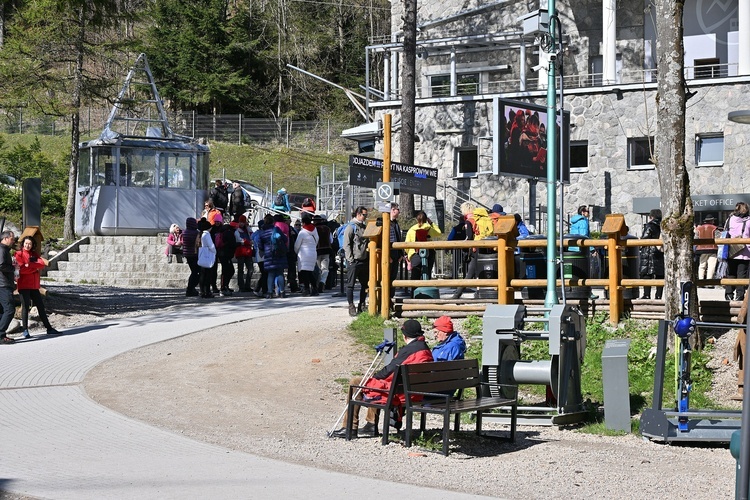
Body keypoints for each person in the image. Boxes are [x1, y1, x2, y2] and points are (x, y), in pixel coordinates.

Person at [331, 319, 433, 438]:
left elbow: (390, 370)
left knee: (357, 382)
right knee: (377, 384)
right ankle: (370, 425)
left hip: (401, 394)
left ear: (405, 336)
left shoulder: (409, 351)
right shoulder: (425, 349)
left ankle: (349, 427)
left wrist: (374, 377)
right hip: (415, 392)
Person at [15, 236, 61, 338]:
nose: (27, 245)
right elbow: (21, 270)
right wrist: (33, 268)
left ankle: (49, 328)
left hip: (34, 285)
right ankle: (25, 330)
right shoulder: (19, 254)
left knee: (41, 306)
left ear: (32, 245)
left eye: (29, 244)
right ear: (23, 244)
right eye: (26, 243)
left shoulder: (34, 254)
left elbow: (41, 264)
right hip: (23, 284)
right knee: (25, 307)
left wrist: (29, 266)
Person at [344, 206, 370, 316]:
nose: (365, 217)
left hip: (364, 261)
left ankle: (362, 304)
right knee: (351, 285)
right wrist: (350, 260)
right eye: (364, 215)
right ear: (358, 214)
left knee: (365, 285)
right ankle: (351, 306)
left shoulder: (364, 227)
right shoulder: (351, 227)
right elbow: (346, 244)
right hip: (354, 261)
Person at [405, 210, 442, 286]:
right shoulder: (429, 229)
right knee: (427, 273)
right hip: (429, 253)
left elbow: (407, 244)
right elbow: (439, 232)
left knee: (415, 275)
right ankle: (426, 292)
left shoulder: (411, 230)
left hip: (415, 253)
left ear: (416, 219)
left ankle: (414, 293)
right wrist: (431, 223)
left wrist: (409, 254)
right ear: (426, 219)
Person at [451, 202, 478, 299]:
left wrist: (465, 245)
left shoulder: (468, 221)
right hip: (484, 248)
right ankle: (480, 292)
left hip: (475, 249)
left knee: (470, 273)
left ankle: (457, 294)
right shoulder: (477, 218)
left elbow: (469, 236)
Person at [724, 202, 750, 302]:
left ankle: (728, 294)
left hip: (731, 251)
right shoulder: (749, 221)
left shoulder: (730, 219)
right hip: (745, 252)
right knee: (742, 275)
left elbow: (725, 232)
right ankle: (740, 295)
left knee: (730, 273)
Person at [259, 214, 289, 298]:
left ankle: (269, 293)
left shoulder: (262, 233)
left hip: (268, 254)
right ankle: (282, 292)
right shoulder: (276, 229)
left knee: (270, 274)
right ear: (273, 222)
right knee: (280, 273)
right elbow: (285, 239)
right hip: (279, 253)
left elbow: (260, 246)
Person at [640, 208, 665, 300]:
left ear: (651, 216)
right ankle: (658, 296)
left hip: (649, 252)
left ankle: (646, 294)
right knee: (660, 274)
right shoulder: (663, 226)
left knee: (647, 273)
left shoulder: (650, 226)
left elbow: (644, 238)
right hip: (660, 252)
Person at [294, 213, 319, 296]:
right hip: (313, 253)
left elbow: (297, 245)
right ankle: (315, 288)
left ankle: (307, 289)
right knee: (310, 271)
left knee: (304, 272)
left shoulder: (302, 232)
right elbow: (317, 241)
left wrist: (296, 251)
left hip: (303, 254)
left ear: (303, 223)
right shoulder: (315, 230)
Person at [0, 231, 15, 344]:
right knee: (9, 309)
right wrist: (13, 268)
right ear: (5, 238)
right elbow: (1, 265)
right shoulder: (2, 249)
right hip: (3, 285)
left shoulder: (4, 249)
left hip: (3, 284)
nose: (13, 241)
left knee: (2, 310)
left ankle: (2, 335)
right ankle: (0, 334)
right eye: (12, 238)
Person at [694, 214, 718, 285]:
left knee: (702, 265)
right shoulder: (714, 228)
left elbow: (696, 238)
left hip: (701, 249)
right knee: (711, 266)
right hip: (712, 249)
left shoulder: (699, 229)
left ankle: (701, 281)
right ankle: (709, 282)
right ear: (711, 221)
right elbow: (718, 238)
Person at [196, 218, 216, 298]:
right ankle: (207, 291)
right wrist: (214, 251)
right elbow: (211, 246)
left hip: (201, 255)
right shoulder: (206, 234)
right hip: (207, 255)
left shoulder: (200, 234)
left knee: (202, 274)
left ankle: (202, 291)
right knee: (208, 275)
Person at [387, 203, 403, 298]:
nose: (399, 212)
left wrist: (401, 254)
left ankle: (391, 299)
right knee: (387, 277)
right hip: (389, 254)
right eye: (398, 209)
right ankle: (386, 299)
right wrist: (387, 255)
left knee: (393, 277)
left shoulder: (395, 223)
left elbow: (398, 238)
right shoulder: (385, 222)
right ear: (393, 210)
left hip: (396, 255)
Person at [314, 214, 333, 294]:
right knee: (325, 269)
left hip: (317, 251)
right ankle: (322, 282)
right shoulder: (327, 229)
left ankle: (317, 284)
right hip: (327, 250)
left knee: (317, 269)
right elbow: (331, 240)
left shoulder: (314, 229)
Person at [234, 215, 254, 292]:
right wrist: (247, 242)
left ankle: (247, 285)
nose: (242, 224)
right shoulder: (237, 231)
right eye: (240, 222)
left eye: (243, 222)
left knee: (250, 269)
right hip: (240, 252)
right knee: (240, 270)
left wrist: (248, 227)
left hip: (248, 252)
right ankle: (241, 286)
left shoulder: (247, 230)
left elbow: (252, 235)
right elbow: (239, 240)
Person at [182, 217, 200, 297]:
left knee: (194, 272)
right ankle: (190, 288)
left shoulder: (185, 232)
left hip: (187, 254)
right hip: (194, 254)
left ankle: (191, 288)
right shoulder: (195, 233)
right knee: (196, 272)